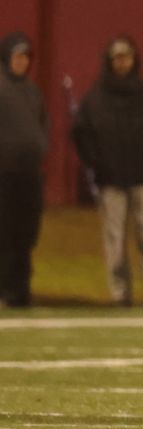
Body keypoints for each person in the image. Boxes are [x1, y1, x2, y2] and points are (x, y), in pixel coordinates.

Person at [71, 35, 143, 307]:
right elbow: (81, 135)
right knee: (114, 241)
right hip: (110, 180)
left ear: (134, 59)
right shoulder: (95, 98)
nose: (122, 63)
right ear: (109, 61)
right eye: (117, 58)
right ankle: (121, 294)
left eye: (126, 57)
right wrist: (97, 164)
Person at [0, 33, 48, 308]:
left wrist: (40, 146)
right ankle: (4, 289)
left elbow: (42, 125)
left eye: (26, 57)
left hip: (29, 174)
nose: (22, 62)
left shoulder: (32, 91)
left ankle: (20, 290)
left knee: (26, 234)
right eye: (18, 56)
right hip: (4, 174)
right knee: (4, 232)